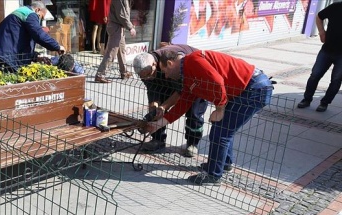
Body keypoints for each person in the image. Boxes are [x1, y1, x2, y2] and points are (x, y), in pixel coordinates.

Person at [146, 49, 273, 185]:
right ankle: (223, 164)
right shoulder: (188, 74)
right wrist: (158, 125)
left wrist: (219, 109)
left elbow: (217, 82)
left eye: (165, 71)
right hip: (248, 88)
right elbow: (184, 103)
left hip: (253, 89)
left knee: (220, 133)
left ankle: (213, 175)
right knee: (222, 129)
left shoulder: (193, 61)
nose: (165, 76)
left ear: (170, 63)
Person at [133, 47, 209, 157]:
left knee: (194, 114)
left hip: (194, 82)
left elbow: (180, 92)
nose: (148, 77)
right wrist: (154, 107)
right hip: (170, 82)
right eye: (145, 77)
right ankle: (157, 139)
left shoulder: (175, 62)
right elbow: (152, 89)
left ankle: (192, 143)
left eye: (150, 74)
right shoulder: (144, 69)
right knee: (156, 111)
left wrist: (163, 106)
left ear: (155, 64)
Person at [0, 1, 65, 73]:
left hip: (0, 55)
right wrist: (57, 46)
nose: (40, 21)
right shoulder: (30, 14)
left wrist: (36, 57)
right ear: (37, 10)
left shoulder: (21, 13)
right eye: (41, 17)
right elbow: (39, 35)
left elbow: (20, 43)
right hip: (6, 59)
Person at [297, 1, 342, 112]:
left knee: (336, 80)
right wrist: (322, 32)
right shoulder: (337, 6)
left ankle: (325, 102)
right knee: (315, 75)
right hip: (327, 50)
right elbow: (319, 16)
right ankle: (307, 99)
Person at [94, 0, 136, 83]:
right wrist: (130, 27)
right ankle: (100, 74)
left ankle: (124, 72)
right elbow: (121, 15)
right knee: (111, 52)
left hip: (119, 27)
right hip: (116, 27)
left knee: (121, 51)